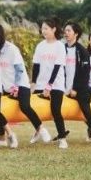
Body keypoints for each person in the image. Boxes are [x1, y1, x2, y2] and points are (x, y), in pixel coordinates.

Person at [0, 23, 32, 148]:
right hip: (3, 87)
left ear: (0, 36)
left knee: (22, 107)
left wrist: (16, 87)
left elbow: (19, 70)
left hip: (17, 86)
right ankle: (1, 138)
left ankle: (12, 135)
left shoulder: (11, 49)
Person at [32, 18, 68, 147]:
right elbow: (35, 65)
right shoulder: (40, 46)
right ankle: (38, 130)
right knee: (31, 107)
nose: (43, 31)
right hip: (41, 83)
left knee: (55, 110)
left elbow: (57, 67)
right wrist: (33, 83)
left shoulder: (60, 46)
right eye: (42, 28)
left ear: (54, 29)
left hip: (56, 84)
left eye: (46, 28)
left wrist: (49, 85)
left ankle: (62, 138)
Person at [63, 22, 91, 142]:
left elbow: (85, 73)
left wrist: (75, 89)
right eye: (65, 30)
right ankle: (61, 134)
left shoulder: (82, 51)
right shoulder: (62, 48)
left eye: (69, 31)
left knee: (86, 112)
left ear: (76, 34)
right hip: (64, 87)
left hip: (80, 88)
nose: (66, 33)